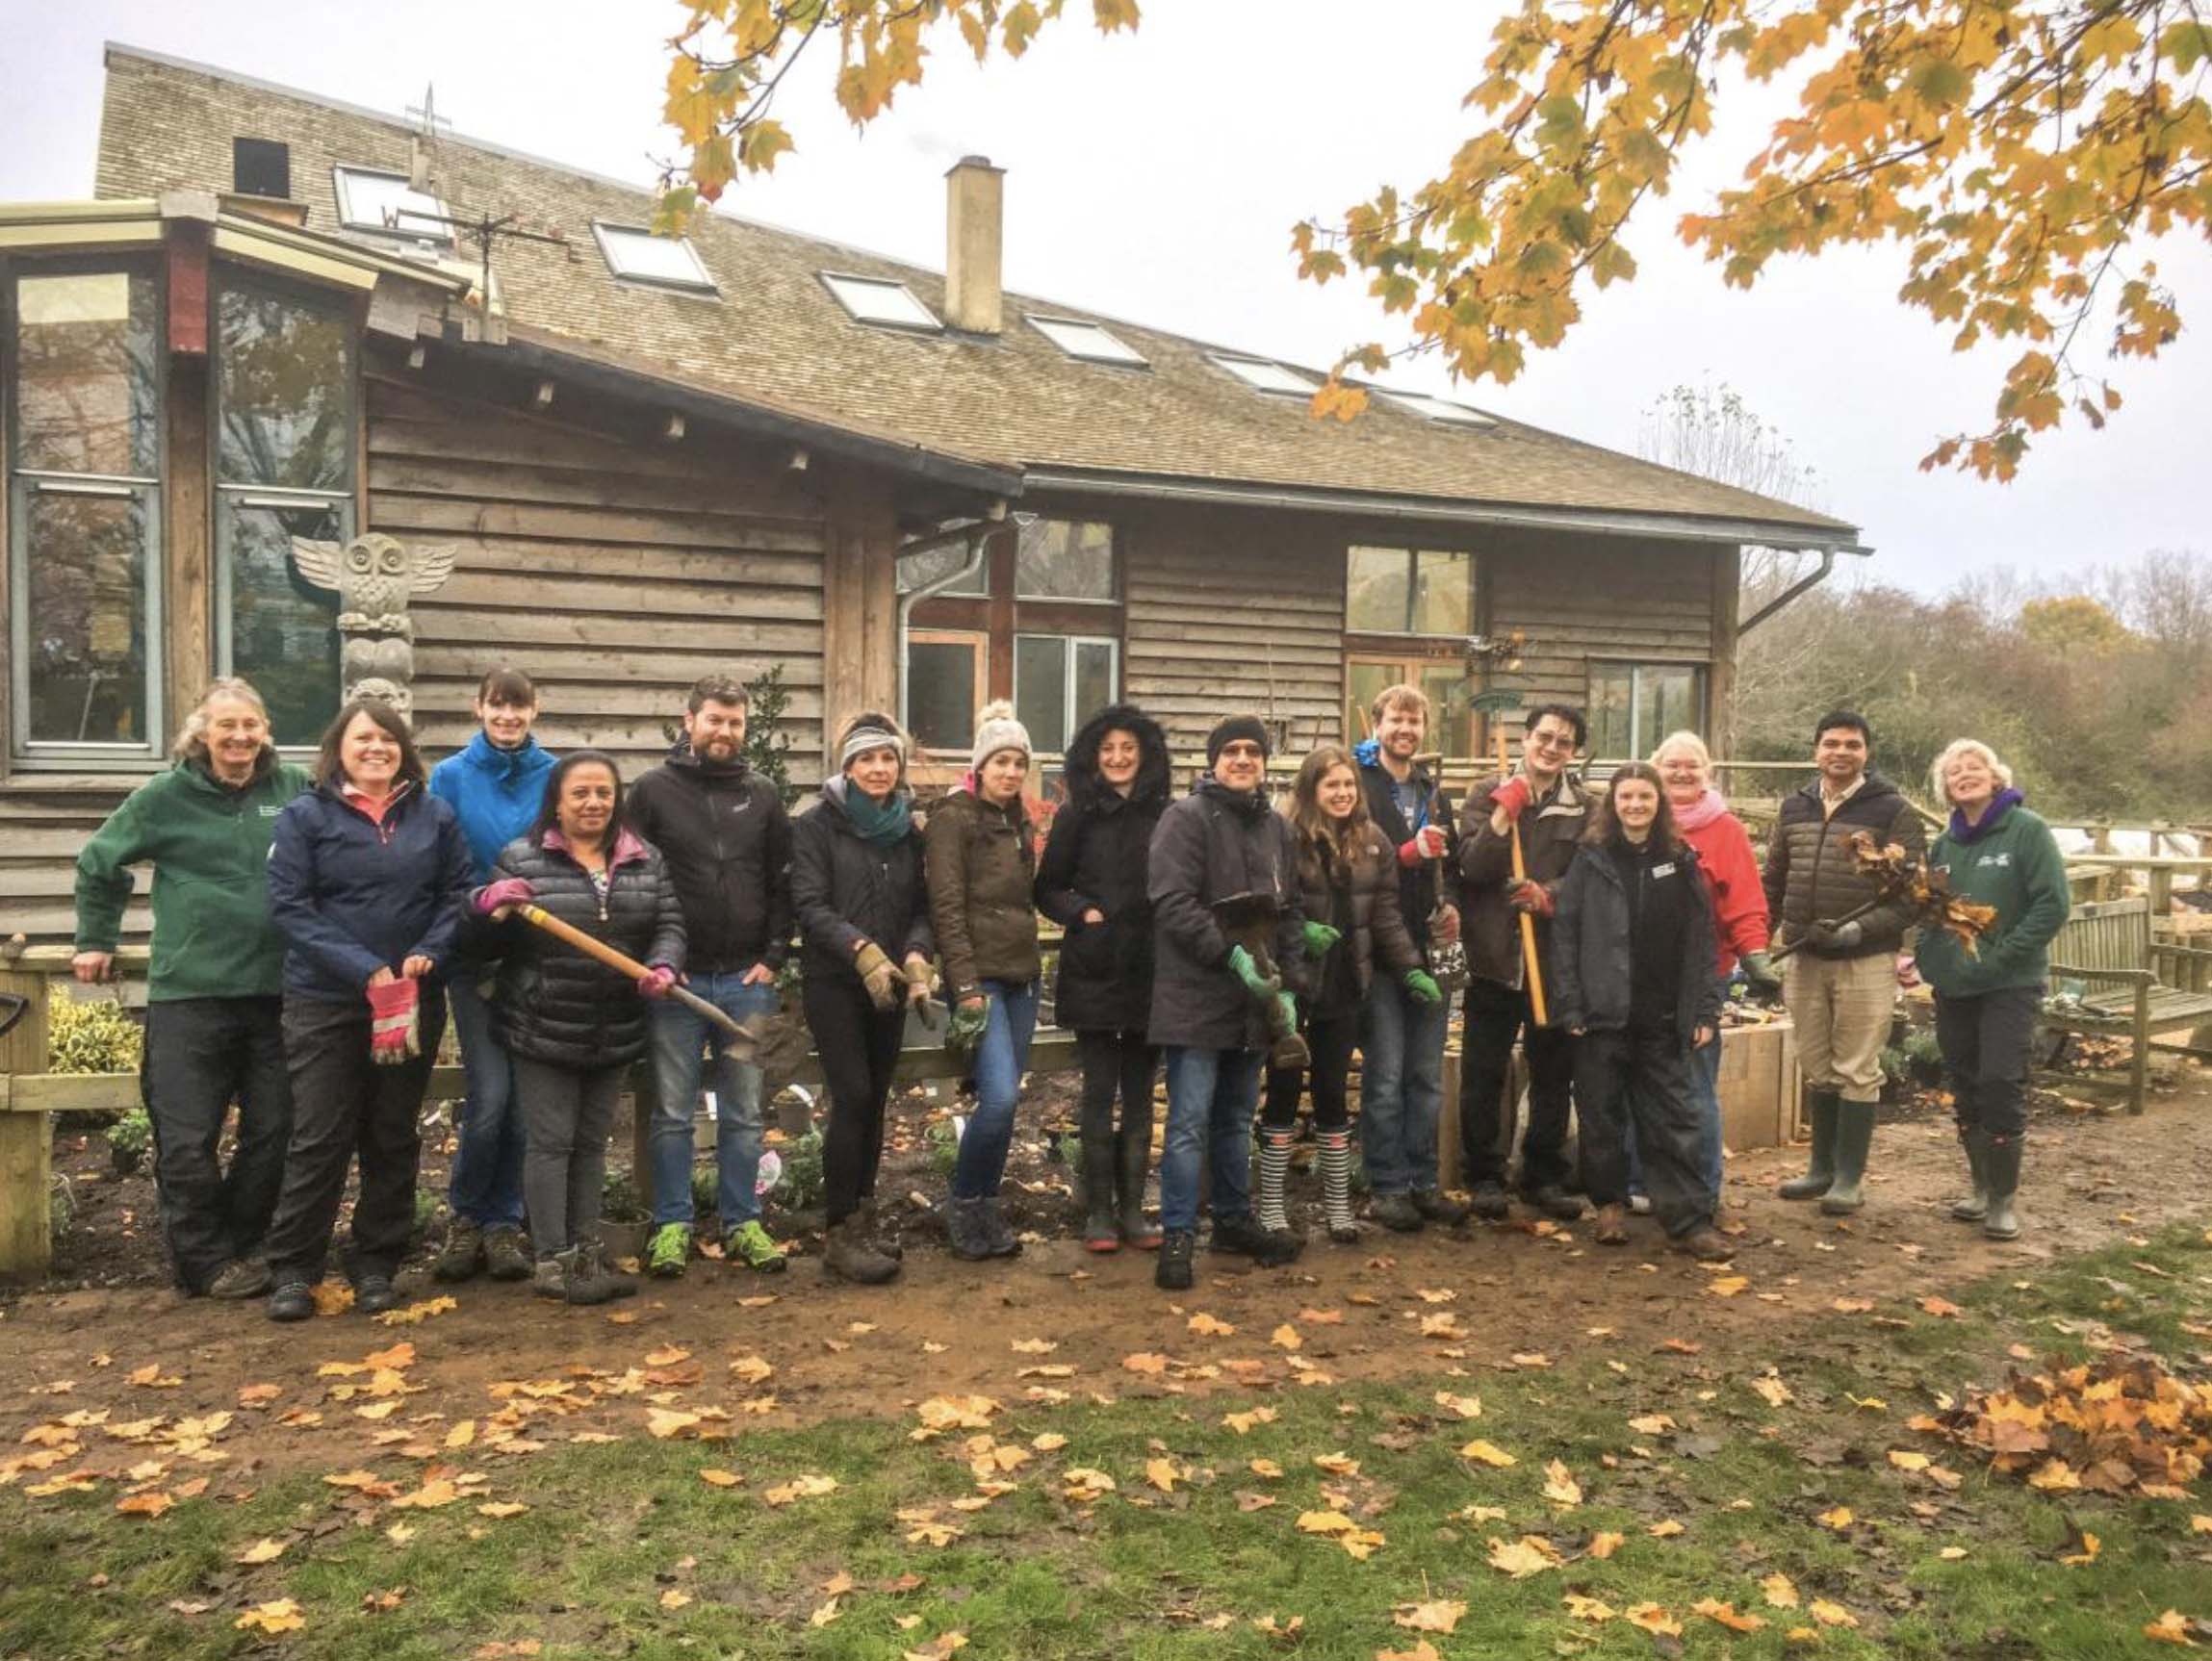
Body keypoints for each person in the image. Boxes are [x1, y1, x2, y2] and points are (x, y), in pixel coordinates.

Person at [70, 679, 309, 1300]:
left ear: (266, 732)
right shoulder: (165, 797)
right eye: (225, 725)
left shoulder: (294, 789)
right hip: (190, 995)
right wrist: (96, 938)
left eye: (250, 725)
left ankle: (241, 1244)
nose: (239, 736)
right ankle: (203, 1263)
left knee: (275, 1130)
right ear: (201, 734)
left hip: (278, 993)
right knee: (185, 1139)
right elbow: (100, 862)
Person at [259, 698, 475, 1321]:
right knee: (320, 1136)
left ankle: (376, 1263)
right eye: (362, 739)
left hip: (410, 1000)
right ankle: (295, 1269)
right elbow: (291, 908)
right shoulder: (304, 816)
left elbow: (456, 893)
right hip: (326, 1002)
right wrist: (364, 968)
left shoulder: (434, 816)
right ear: (339, 748)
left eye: (387, 738)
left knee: (390, 1135)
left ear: (403, 748)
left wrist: (430, 951)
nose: (376, 747)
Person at [466, 751, 683, 1303]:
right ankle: (552, 1261)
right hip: (544, 1022)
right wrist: (488, 907)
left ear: (617, 801)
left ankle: (587, 1252)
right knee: (550, 1143)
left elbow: (668, 922)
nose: (593, 803)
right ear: (557, 804)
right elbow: (481, 946)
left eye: (603, 793)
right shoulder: (522, 859)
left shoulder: (644, 860)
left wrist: (663, 963)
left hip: (614, 1022)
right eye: (580, 794)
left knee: (590, 1144)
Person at [629, 674, 794, 1278]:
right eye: (715, 720)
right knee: (672, 1110)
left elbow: (784, 881)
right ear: (689, 720)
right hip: (677, 982)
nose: (725, 732)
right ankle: (671, 1225)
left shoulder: (763, 794)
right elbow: (634, 882)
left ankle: (742, 1220)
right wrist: (655, 958)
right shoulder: (651, 792)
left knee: (745, 1111)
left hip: (748, 981)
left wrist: (773, 956)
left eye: (736, 722)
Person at [1147, 715, 1308, 1290]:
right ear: (1213, 760)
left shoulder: (1277, 830)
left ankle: (1233, 1222)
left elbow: (1290, 911)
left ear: (1265, 761)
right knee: (1189, 1121)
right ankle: (1178, 1234)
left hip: (1254, 1003)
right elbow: (1171, 900)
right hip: (1195, 996)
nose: (1243, 759)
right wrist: (1228, 955)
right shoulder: (1184, 820)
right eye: (1232, 750)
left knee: (1238, 1118)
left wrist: (1287, 983)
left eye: (1253, 751)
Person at [1552, 762, 1733, 1261]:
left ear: (1659, 804)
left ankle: (1689, 1221)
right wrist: (1569, 1004)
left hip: (1661, 1018)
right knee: (1602, 1118)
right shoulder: (1591, 860)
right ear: (1613, 803)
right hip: (1601, 1016)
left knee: (1674, 1120)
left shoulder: (1680, 860)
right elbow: (1566, 936)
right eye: (1626, 797)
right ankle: (1608, 1207)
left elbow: (1702, 942)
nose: (1635, 806)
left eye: (1644, 797)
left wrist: (1704, 1010)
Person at [1264, 745, 1440, 1243]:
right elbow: (1272, 909)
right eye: (1330, 786)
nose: (1341, 794)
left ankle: (1337, 1208)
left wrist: (1410, 968)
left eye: (1347, 785)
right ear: (1311, 790)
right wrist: (1299, 940)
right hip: (1292, 987)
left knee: (1332, 1091)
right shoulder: (1286, 838)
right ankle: (1273, 1208)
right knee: (1281, 1092)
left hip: (1344, 984)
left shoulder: (1372, 842)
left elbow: (1385, 914)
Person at [791, 713, 938, 1284]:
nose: (879, 768)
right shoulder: (815, 828)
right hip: (835, 983)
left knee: (875, 1100)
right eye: (867, 758)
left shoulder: (908, 833)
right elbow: (809, 903)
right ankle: (839, 1232)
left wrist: (918, 954)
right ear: (847, 766)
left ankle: (864, 1217)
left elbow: (921, 907)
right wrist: (861, 950)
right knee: (851, 1095)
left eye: (888, 758)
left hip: (893, 987)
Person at [1763, 711, 1926, 1214]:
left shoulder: (1894, 812)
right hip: (1804, 955)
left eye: (1851, 745)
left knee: (1856, 1065)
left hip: (1863, 959)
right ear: (1816, 750)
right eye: (1830, 743)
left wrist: (1858, 929)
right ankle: (1821, 1168)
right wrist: (1757, 940)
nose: (1840, 752)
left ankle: (1849, 1177)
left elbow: (1911, 895)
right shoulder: (1794, 807)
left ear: (1866, 753)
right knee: (1817, 1064)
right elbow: (1773, 878)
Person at [426, 667, 555, 1285]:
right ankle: (466, 1216)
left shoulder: (554, 774)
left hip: (539, 958)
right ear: (478, 708)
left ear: (536, 710)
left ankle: (506, 1222)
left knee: (526, 1106)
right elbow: (441, 868)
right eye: (497, 706)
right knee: (490, 1099)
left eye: (519, 706)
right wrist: (482, 903)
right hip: (475, 954)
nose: (508, 717)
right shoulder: (449, 778)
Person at [1916, 739, 2068, 1241]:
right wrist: (1925, 956)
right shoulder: (1945, 843)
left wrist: (2002, 957)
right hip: (1956, 985)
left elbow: (2052, 905)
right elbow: (1932, 911)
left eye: (1974, 766)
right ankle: (1980, 1187)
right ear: (1946, 788)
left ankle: (2004, 1199)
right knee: (1965, 1080)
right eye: (1954, 771)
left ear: (1995, 775)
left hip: (2010, 983)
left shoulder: (2028, 832)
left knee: (2001, 1079)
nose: (1965, 774)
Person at [1034, 703, 1171, 1253]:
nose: (1117, 759)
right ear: (1093, 755)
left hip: (1151, 969)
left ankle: (1135, 1211)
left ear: (1145, 755)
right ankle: (1097, 1212)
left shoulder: (1168, 814)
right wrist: (1081, 913)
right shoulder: (1076, 814)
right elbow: (1046, 888)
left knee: (1140, 1096)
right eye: (1107, 749)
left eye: (1128, 749)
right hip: (1094, 967)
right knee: (1097, 1093)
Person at [1455, 704, 1592, 1221]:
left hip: (1554, 964)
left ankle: (1542, 1174)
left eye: (1564, 741)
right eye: (1544, 736)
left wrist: (1547, 894)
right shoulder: (1486, 793)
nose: (1551, 747)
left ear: (1574, 751)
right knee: (1483, 1073)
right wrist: (1501, 815)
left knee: (1554, 1073)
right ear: (1527, 738)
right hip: (1493, 958)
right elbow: (1470, 867)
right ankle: (1485, 1175)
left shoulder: (1585, 809)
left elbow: (1589, 880)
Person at [925, 702, 1043, 1260]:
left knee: (1010, 1100)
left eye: (1019, 762)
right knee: (995, 1099)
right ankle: (963, 1202)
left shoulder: (1020, 820)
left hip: (1023, 978)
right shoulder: (955, 818)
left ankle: (985, 1209)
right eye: (1001, 761)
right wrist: (965, 985)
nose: (1011, 772)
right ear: (981, 765)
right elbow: (947, 907)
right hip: (982, 982)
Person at [1645, 729, 1779, 1208]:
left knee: (1694, 1079)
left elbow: (1745, 901)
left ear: (1709, 773)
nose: (1681, 773)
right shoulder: (1637, 818)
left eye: (1692, 765)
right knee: (1639, 1081)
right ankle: (1641, 1182)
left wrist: (1755, 954)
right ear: (1655, 769)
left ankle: (1703, 1187)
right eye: (1671, 765)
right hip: (1640, 976)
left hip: (1703, 973)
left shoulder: (1725, 831)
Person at [1354, 685, 1469, 1229]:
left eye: (1414, 721)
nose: (1405, 729)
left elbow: (1456, 867)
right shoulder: (1356, 784)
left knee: (1425, 1074)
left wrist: (1453, 909)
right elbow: (1348, 862)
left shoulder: (1433, 789)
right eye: (1396, 719)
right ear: (1377, 723)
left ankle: (1424, 1180)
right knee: (1385, 1073)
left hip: (1429, 949)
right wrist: (1405, 854)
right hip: (1378, 952)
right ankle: (1386, 1185)